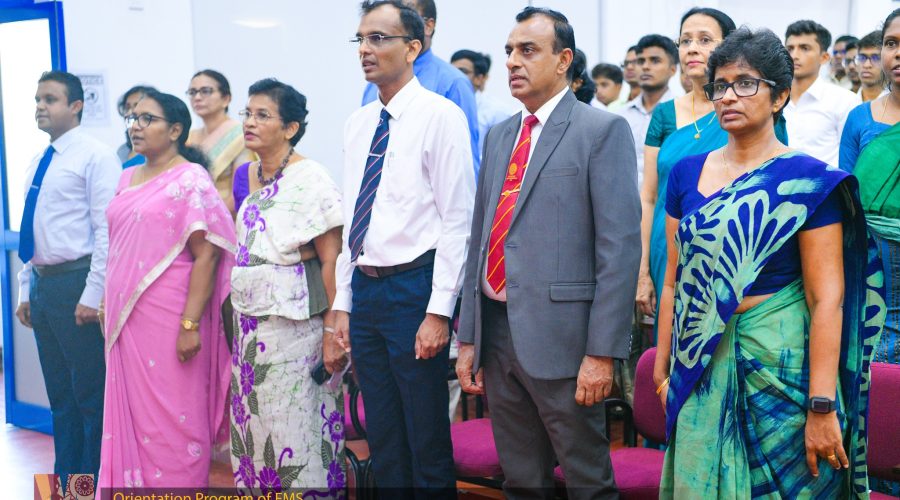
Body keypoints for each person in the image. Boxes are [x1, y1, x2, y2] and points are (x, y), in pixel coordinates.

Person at [654, 27, 884, 498]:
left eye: (745, 83)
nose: (728, 96)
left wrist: (821, 406)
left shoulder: (808, 181)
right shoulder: (684, 174)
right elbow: (675, 282)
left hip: (782, 373)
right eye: (719, 85)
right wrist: (663, 369)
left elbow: (826, 300)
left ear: (779, 96)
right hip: (700, 366)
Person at [456, 7, 640, 498]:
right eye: (509, 51)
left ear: (563, 60)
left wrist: (601, 353)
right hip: (498, 332)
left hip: (565, 339)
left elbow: (619, 251)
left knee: (586, 480)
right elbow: (481, 237)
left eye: (528, 50)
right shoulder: (500, 135)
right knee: (520, 479)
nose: (512, 61)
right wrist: (469, 335)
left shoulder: (600, 131)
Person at [334, 1, 474, 496]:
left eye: (379, 38)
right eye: (361, 39)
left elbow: (458, 220)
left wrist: (439, 312)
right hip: (367, 289)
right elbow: (354, 216)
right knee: (383, 433)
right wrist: (343, 302)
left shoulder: (441, 116)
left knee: (424, 434)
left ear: (413, 47)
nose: (365, 50)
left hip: (415, 287)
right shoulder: (359, 122)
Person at [98, 90, 235, 489]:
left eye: (147, 119)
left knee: (174, 416)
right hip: (126, 320)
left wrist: (190, 324)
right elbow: (119, 246)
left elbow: (207, 254)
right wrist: (106, 298)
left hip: (171, 317)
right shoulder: (127, 176)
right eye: (133, 119)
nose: (136, 126)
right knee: (133, 416)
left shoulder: (190, 179)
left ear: (175, 130)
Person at [228, 78, 347, 495]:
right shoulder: (245, 175)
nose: (250, 122)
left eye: (262, 115)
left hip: (295, 332)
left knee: (295, 431)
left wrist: (333, 331)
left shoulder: (312, 179)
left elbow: (332, 260)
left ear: (291, 128)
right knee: (254, 430)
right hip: (249, 332)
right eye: (247, 113)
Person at [15, 70, 120, 488]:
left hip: (77, 283)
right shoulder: (40, 159)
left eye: (50, 99)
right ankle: (67, 485)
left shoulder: (95, 157)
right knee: (60, 396)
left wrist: (93, 294)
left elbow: (106, 231)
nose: (40, 107)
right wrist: (26, 288)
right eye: (38, 99)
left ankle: (92, 485)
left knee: (89, 396)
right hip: (45, 286)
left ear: (76, 106)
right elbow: (33, 229)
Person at [839, 9, 899, 377]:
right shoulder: (860, 118)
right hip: (867, 255)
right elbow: (845, 200)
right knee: (869, 351)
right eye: (891, 43)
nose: (898, 53)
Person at [361, 0, 480, 177]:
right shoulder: (373, 86)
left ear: (428, 26)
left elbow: (465, 165)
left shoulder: (453, 83)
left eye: (408, 13)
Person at [783, 20, 861, 167]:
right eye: (790, 48)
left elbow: (851, 159)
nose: (794, 55)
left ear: (824, 57)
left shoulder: (845, 101)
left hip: (826, 181)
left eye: (804, 48)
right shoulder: (773, 99)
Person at [186, 69, 256, 214]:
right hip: (190, 217)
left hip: (225, 218)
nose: (197, 97)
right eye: (192, 92)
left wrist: (209, 218)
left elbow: (240, 193)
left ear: (226, 99)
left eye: (205, 91)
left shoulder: (241, 135)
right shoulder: (189, 137)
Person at [617, 34, 677, 188]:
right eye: (640, 61)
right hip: (626, 199)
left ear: (673, 69)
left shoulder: (681, 113)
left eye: (655, 61)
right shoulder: (620, 116)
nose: (645, 67)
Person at [451, 49, 515, 158]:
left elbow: (501, 156)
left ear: (479, 78)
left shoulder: (498, 112)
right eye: (451, 70)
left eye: (463, 72)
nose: (455, 76)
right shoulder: (444, 106)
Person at [115, 85, 156, 168]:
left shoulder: (159, 150)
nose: (130, 113)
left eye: (137, 106)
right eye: (127, 108)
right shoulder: (122, 151)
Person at [854, 30, 889, 102]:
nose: (866, 65)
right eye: (862, 57)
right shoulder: (845, 100)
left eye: (876, 58)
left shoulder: (896, 102)